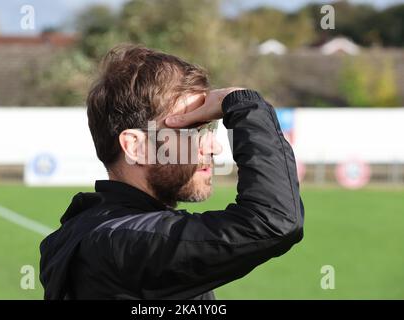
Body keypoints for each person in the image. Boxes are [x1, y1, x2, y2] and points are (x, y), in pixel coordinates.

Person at [39, 44, 305, 300]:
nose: (213, 146)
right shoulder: (119, 241)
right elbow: (273, 220)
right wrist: (244, 103)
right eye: (192, 129)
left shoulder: (104, 227)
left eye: (208, 129)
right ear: (136, 146)